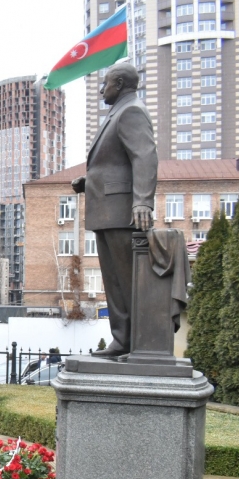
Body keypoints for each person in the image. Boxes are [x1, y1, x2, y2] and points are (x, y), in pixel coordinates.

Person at [71, 63, 158, 358]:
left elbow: (144, 157)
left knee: (127, 281)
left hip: (122, 213)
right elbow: (114, 163)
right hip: (108, 211)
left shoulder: (131, 110)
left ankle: (138, 343)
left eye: (105, 82)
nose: (100, 88)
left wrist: (143, 201)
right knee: (115, 283)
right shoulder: (117, 112)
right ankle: (123, 341)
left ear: (119, 83)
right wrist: (90, 181)